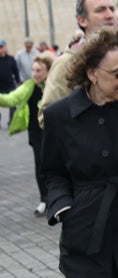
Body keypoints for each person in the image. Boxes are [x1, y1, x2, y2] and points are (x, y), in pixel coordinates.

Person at [40, 28, 118, 276]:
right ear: (92, 74)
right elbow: (52, 172)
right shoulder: (59, 115)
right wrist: (63, 206)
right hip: (84, 231)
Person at [38, 0, 118, 126]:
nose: (110, 15)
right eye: (100, 10)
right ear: (82, 20)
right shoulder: (66, 63)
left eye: (112, 9)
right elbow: (47, 118)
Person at [0, 51, 55, 216]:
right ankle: (44, 200)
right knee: (40, 165)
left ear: (48, 71)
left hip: (55, 133)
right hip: (36, 133)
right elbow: (11, 99)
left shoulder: (55, 86)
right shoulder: (29, 86)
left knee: (57, 165)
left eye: (39, 70)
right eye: (33, 70)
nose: (35, 74)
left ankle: (59, 198)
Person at [0, 40, 21, 128]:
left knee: (12, 105)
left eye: (1, 47)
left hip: (10, 85)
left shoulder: (11, 59)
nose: (0, 49)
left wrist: (18, 83)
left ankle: (12, 122)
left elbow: (16, 72)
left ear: (5, 48)